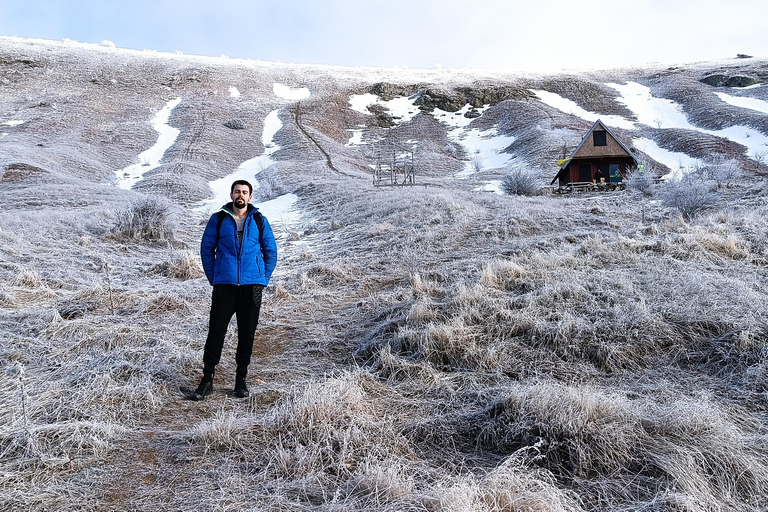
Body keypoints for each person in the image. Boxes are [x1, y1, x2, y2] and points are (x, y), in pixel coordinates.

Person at [191, 180, 278, 400]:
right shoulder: (218, 218)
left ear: (250, 196)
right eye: (237, 191)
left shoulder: (259, 220)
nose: (241, 195)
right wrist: (215, 277)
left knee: (247, 333)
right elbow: (206, 250)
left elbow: (271, 251)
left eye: (245, 192)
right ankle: (207, 380)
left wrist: (262, 279)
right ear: (231, 194)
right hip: (225, 286)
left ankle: (241, 380)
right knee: (216, 332)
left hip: (252, 287)